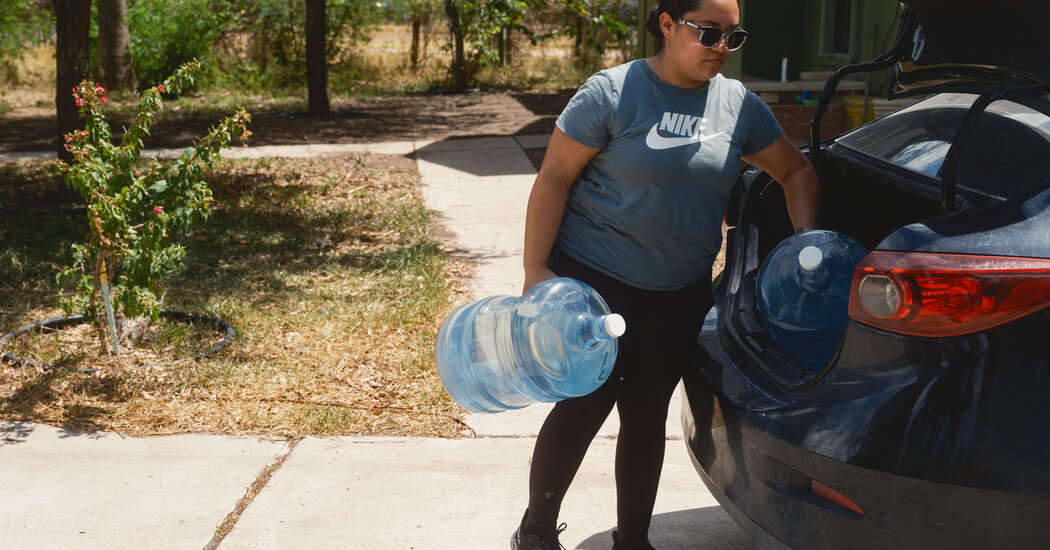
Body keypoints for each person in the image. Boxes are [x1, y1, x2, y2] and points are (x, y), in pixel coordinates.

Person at [510, 0, 821, 548]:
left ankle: (633, 541)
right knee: (584, 404)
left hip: (679, 292)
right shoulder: (611, 92)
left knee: (647, 414)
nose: (722, 48)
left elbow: (795, 170)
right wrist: (537, 269)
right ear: (668, 25)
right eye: (709, 33)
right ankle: (535, 533)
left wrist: (807, 246)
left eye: (733, 36)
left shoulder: (739, 106)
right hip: (597, 283)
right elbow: (554, 177)